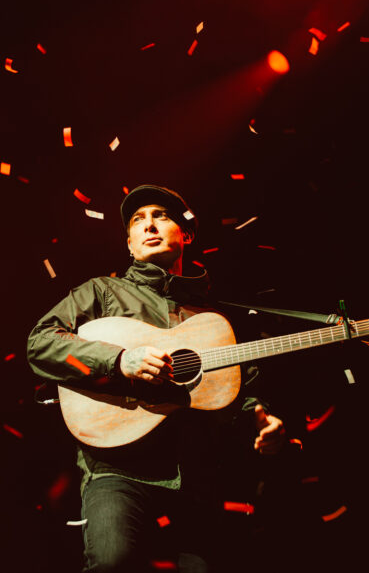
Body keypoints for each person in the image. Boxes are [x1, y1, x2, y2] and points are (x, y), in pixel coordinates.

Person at [27, 184, 286, 572]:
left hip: (198, 476)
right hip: (117, 468)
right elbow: (40, 343)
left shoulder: (213, 317)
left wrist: (261, 416)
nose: (149, 225)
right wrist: (119, 359)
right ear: (129, 244)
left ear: (186, 234)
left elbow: (241, 386)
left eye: (161, 216)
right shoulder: (101, 291)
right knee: (113, 563)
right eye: (137, 220)